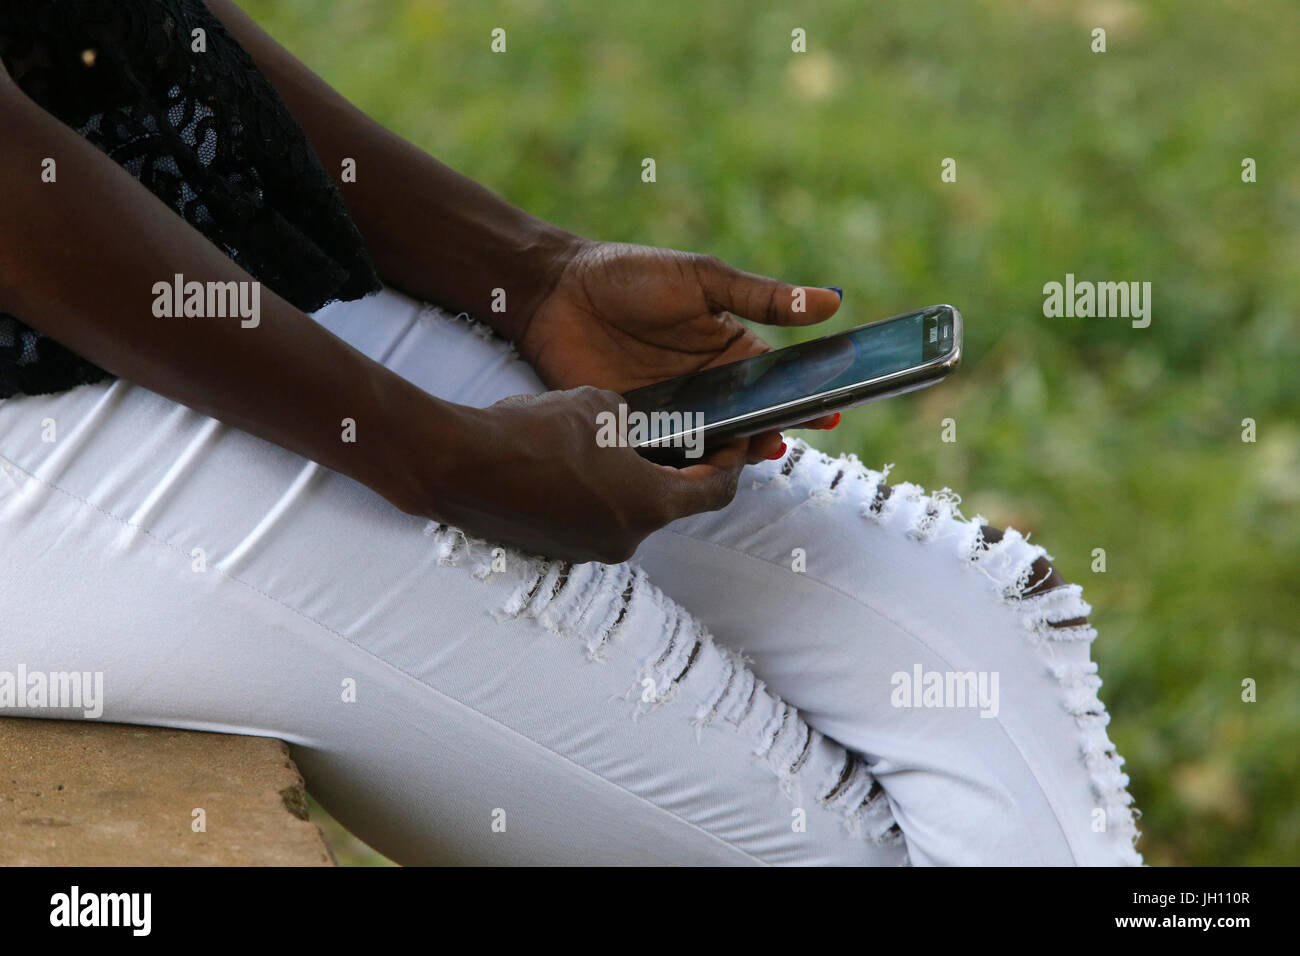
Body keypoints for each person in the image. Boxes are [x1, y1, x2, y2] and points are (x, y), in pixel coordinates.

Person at [0, 0, 1141, 865]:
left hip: (190, 259)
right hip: (32, 408)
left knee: (982, 653)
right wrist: (429, 452)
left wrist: (526, 273)